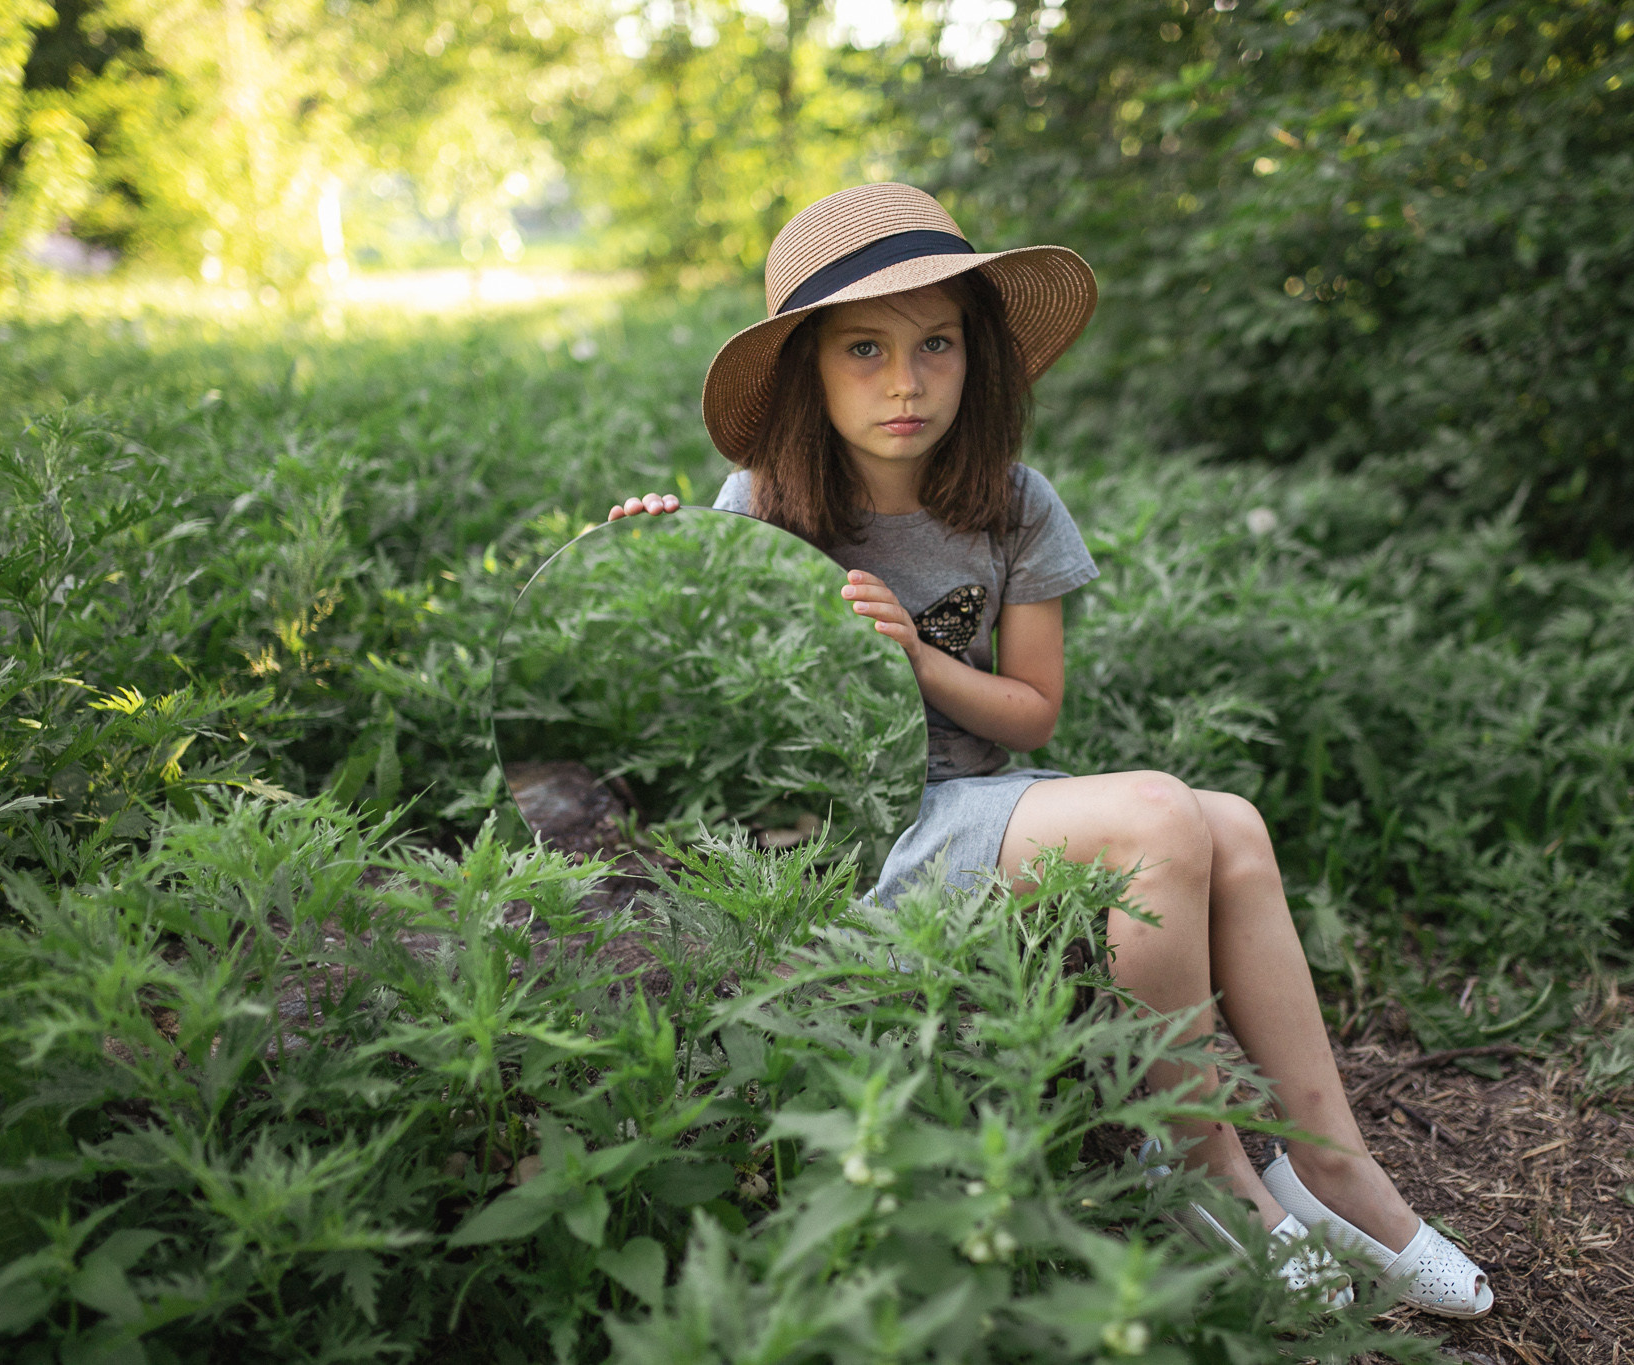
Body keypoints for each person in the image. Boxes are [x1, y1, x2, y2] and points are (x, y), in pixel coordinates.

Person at [608, 183, 1493, 1320]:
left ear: (974, 356)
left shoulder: (1013, 504)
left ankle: (1331, 1166)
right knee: (1161, 819)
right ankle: (1200, 1166)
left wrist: (915, 658)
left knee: (1228, 822)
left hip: (986, 796)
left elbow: (1032, 713)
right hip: (860, 833)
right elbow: (696, 701)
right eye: (863, 348)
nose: (904, 380)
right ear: (807, 372)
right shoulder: (762, 509)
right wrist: (643, 564)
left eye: (935, 344)